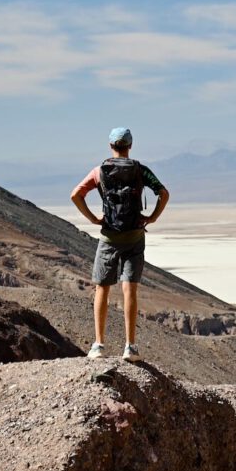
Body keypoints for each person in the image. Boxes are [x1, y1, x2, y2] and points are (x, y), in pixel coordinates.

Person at [70, 127, 169, 362]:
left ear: (110, 146)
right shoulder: (140, 170)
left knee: (102, 288)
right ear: (130, 146)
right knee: (129, 289)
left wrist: (94, 219)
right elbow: (163, 193)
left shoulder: (99, 171)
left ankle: (98, 345)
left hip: (109, 237)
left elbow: (76, 195)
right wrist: (152, 217)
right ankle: (130, 346)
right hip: (134, 236)